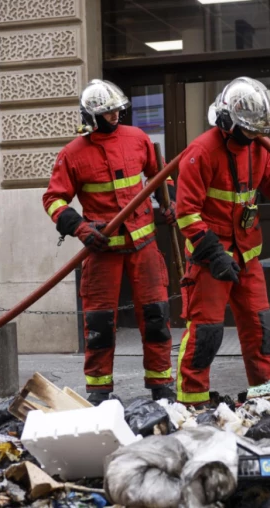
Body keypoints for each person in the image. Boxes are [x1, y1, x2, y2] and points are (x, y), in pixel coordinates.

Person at [174, 77, 270, 405]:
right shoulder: (200, 153)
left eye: (260, 132)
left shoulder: (258, 148)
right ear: (228, 122)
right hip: (210, 260)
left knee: (262, 331)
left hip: (247, 257)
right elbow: (186, 213)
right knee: (206, 334)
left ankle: (268, 400)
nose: (255, 137)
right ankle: (191, 403)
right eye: (250, 131)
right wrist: (213, 253)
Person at [42, 79, 178, 405]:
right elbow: (53, 200)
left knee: (157, 317)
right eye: (108, 112)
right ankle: (99, 391)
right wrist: (80, 228)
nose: (115, 115)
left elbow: (161, 176)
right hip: (102, 250)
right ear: (91, 116)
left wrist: (170, 202)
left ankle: (161, 386)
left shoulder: (138, 139)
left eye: (117, 109)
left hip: (144, 247)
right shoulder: (72, 154)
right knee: (99, 324)